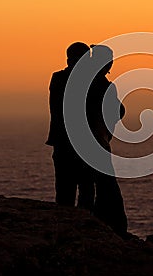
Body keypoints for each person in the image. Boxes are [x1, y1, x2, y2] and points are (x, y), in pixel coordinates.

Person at [46, 42, 95, 210]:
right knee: (86, 190)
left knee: (65, 190)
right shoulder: (88, 81)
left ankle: (66, 227)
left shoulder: (58, 78)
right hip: (81, 143)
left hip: (62, 142)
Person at [87, 44, 128, 237]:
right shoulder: (104, 86)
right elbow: (118, 110)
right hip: (98, 142)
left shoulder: (79, 83)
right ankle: (114, 228)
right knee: (106, 188)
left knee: (87, 188)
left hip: (90, 141)